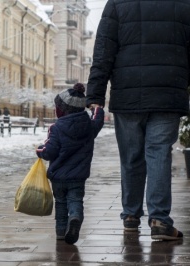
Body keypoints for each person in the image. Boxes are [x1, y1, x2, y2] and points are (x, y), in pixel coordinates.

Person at [86, 0, 190, 241]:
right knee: (159, 153)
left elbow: (103, 50)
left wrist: (96, 95)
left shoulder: (118, 3)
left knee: (131, 156)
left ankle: (131, 216)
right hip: (168, 92)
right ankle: (160, 220)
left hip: (128, 92)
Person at [36, 83, 104, 245]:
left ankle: (60, 231)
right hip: (78, 176)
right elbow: (98, 119)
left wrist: (40, 150)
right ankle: (75, 218)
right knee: (75, 200)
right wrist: (97, 107)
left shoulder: (57, 128)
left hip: (58, 176)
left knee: (60, 203)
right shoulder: (88, 126)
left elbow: (49, 152)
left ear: (62, 110)